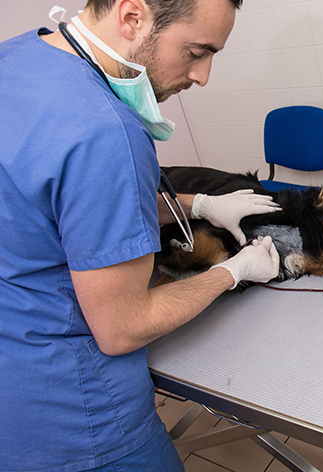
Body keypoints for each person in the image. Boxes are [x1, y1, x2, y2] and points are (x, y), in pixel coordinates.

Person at [0, 0, 281, 470]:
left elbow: (64, 207)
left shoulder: (17, 61)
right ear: (134, 17)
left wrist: (197, 204)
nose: (203, 76)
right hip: (78, 419)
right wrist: (233, 272)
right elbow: (122, 328)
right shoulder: (105, 131)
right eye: (196, 52)